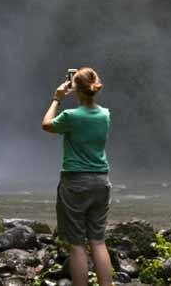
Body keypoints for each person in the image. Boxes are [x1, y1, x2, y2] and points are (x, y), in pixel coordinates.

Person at [42, 67, 113, 286]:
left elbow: (46, 125)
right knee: (98, 242)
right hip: (101, 181)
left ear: (76, 88)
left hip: (75, 182)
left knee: (76, 245)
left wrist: (57, 98)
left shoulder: (70, 117)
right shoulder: (105, 114)